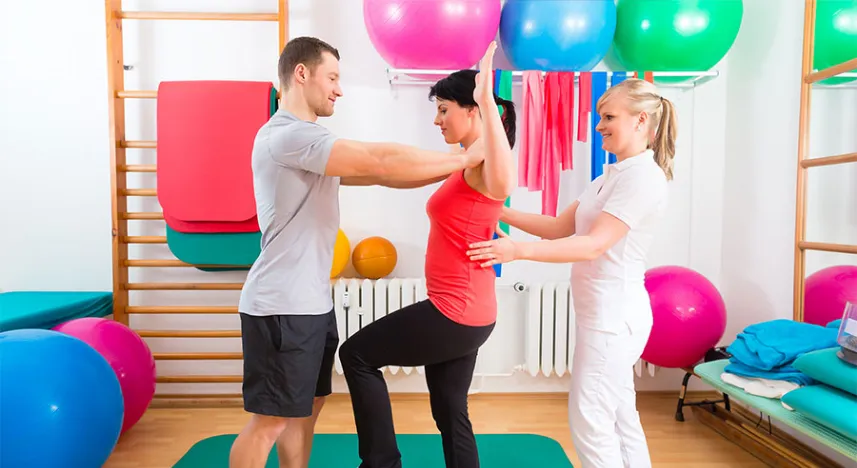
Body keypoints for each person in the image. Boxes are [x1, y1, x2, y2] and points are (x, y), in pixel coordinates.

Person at [230, 36, 486, 468]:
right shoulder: (287, 136)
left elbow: (385, 176)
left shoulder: (310, 142)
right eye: (332, 78)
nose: (339, 90)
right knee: (269, 422)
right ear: (301, 74)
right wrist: (464, 159)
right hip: (280, 307)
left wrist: (462, 168)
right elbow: (378, 160)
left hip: (311, 304)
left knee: (304, 413)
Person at [466, 78, 677, 468]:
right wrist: (496, 210)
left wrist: (518, 251)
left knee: (591, 420)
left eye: (609, 117)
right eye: (600, 117)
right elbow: (557, 228)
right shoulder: (610, 177)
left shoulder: (642, 178)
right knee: (619, 417)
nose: (599, 126)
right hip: (604, 316)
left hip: (613, 319)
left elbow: (593, 244)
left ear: (640, 120)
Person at [336, 42, 515, 468]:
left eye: (444, 109)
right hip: (466, 310)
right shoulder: (465, 160)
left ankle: (381, 464)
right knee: (450, 408)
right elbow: (404, 172)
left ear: (473, 110)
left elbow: (503, 184)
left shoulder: (486, 163)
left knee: (356, 355)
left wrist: (487, 98)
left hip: (456, 311)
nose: (437, 120)